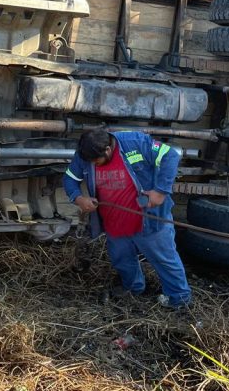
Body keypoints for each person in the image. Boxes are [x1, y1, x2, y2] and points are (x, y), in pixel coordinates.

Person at [63, 128, 191, 307]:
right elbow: (69, 178)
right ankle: (133, 289)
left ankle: (179, 299)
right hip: (114, 221)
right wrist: (79, 198)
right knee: (121, 259)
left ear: (107, 150)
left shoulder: (135, 142)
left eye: (96, 161)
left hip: (148, 218)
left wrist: (160, 192)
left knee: (163, 258)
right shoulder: (86, 154)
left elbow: (170, 155)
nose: (93, 164)